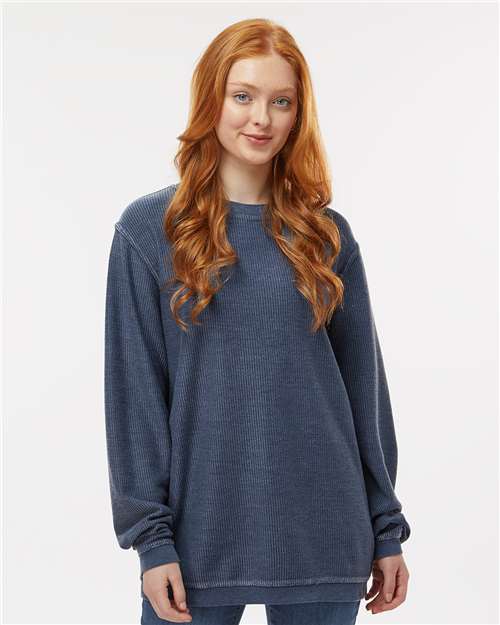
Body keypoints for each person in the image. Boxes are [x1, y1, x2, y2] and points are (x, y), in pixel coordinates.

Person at [104, 17, 411, 625]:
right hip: (197, 537)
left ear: (299, 114)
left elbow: (363, 392)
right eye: (242, 96)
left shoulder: (327, 236)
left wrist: (386, 528)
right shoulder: (149, 232)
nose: (261, 119)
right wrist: (150, 540)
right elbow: (134, 398)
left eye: (281, 101)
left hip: (324, 528)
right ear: (211, 99)